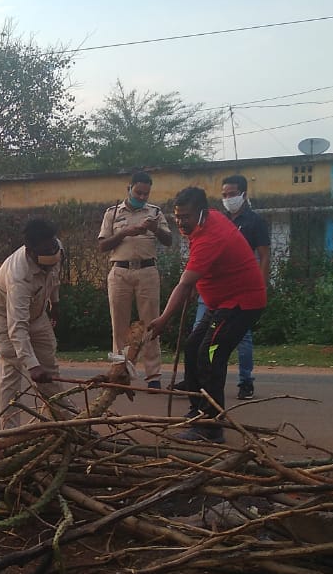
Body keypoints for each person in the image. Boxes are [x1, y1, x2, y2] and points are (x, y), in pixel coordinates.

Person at [147, 186, 266, 444]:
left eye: (185, 216)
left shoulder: (211, 236)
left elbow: (183, 283)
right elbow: (202, 272)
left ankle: (212, 426)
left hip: (241, 304)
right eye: (177, 216)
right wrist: (195, 286)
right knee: (192, 347)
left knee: (210, 353)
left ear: (201, 213)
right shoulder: (207, 218)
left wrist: (163, 319)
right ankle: (198, 411)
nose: (180, 222)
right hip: (221, 302)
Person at [97, 170, 172, 389]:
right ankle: (120, 372)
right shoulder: (112, 213)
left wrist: (155, 228)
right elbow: (102, 246)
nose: (141, 197)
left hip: (147, 271)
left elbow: (168, 240)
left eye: (145, 194)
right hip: (120, 271)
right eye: (138, 192)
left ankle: (153, 376)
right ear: (128, 189)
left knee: (151, 324)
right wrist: (125, 233)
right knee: (118, 325)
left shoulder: (155, 212)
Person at [0, 217, 62, 427]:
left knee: (50, 369)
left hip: (37, 314)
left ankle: (63, 422)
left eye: (53, 248)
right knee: (14, 370)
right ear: (30, 252)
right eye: (45, 253)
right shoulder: (19, 276)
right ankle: (11, 431)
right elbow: (17, 327)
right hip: (2, 317)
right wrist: (32, 366)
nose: (52, 253)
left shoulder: (55, 248)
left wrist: (55, 304)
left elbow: (53, 278)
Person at [219, 174, 270, 399]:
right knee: (208, 333)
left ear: (243, 194)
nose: (228, 199)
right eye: (224, 195)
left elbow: (265, 256)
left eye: (232, 194)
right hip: (220, 287)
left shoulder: (254, 221)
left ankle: (245, 381)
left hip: (245, 287)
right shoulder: (220, 220)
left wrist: (261, 284)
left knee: (243, 337)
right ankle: (203, 376)